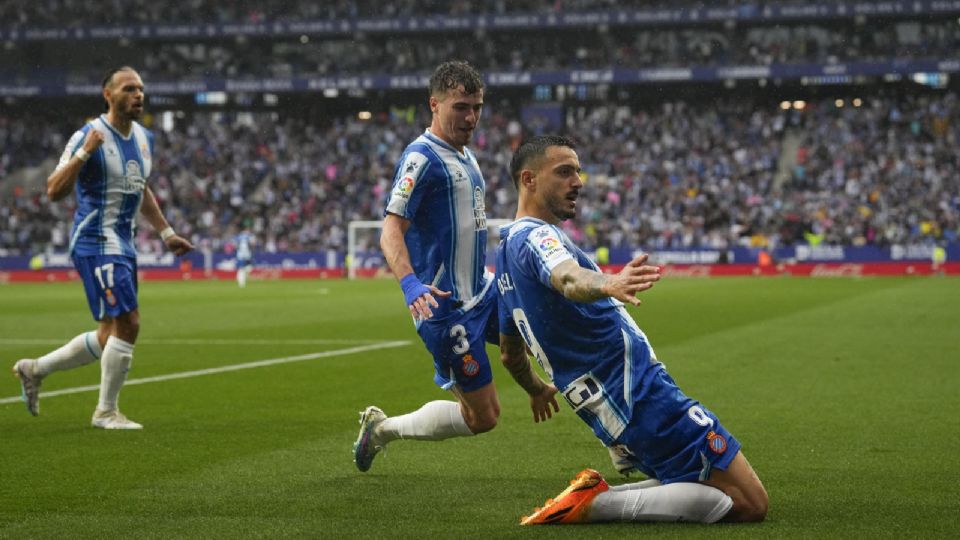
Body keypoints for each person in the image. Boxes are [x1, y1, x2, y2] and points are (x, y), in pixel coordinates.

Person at [496, 135, 768, 524]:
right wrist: (607, 283)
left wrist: (535, 389)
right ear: (529, 180)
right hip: (639, 396)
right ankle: (595, 504)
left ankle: (593, 499)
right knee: (749, 501)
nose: (578, 181)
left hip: (609, 408)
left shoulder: (503, 257)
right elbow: (568, 278)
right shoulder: (539, 236)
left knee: (694, 482)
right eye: (564, 171)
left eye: (578, 171)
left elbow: (509, 351)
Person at [352, 61, 559, 472]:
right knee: (484, 418)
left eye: (477, 107)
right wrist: (410, 285)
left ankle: (615, 435)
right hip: (443, 308)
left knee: (554, 330)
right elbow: (390, 230)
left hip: (481, 291)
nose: (471, 116)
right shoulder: (421, 159)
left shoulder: (465, 155)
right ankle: (381, 429)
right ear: (434, 104)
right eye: (461, 107)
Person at [12, 66, 194, 430]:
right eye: (128, 89)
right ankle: (106, 412)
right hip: (95, 239)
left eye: (141, 89)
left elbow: (140, 187)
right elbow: (52, 190)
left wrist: (166, 232)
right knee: (130, 322)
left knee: (109, 331)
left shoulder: (145, 138)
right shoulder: (89, 134)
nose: (137, 95)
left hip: (122, 243)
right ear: (107, 94)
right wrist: (84, 154)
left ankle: (35, 370)